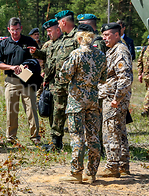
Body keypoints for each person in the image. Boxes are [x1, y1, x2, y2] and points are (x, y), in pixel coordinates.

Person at [57, 31, 107, 183]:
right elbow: (103, 78)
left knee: (77, 136)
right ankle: (92, 173)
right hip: (93, 100)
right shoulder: (100, 55)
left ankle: (76, 173)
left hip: (77, 101)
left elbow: (64, 75)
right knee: (93, 137)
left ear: (79, 39)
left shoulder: (76, 54)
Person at [0, 17, 40, 146]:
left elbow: (38, 59)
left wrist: (30, 64)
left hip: (27, 80)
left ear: (21, 28)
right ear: (9, 29)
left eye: (17, 30)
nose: (15, 33)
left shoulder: (29, 41)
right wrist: (11, 67)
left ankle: (35, 136)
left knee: (31, 109)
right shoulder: (4, 44)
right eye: (13, 30)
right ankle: (11, 137)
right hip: (11, 81)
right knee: (11, 109)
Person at [98, 23, 133, 178]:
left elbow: (125, 78)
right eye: (103, 35)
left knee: (111, 131)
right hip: (113, 97)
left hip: (114, 99)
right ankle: (123, 165)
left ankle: (113, 166)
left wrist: (116, 99)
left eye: (107, 35)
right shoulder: (113, 50)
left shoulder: (120, 50)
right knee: (120, 131)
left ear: (117, 35)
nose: (104, 38)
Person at [45, 10, 79, 151]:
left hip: (74, 84)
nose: (58, 25)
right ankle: (55, 142)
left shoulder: (78, 37)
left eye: (59, 22)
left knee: (75, 115)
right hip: (60, 83)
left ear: (63, 22)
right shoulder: (64, 38)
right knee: (57, 112)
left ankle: (78, 144)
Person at [30, 19, 63, 121]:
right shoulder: (48, 44)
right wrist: (35, 52)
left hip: (61, 81)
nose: (48, 34)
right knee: (49, 108)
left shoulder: (65, 43)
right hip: (49, 82)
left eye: (50, 31)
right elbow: (44, 56)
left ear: (57, 30)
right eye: (47, 31)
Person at [138, 36, 149, 117]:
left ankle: (146, 109)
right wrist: (139, 74)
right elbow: (140, 62)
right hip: (146, 76)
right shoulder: (145, 49)